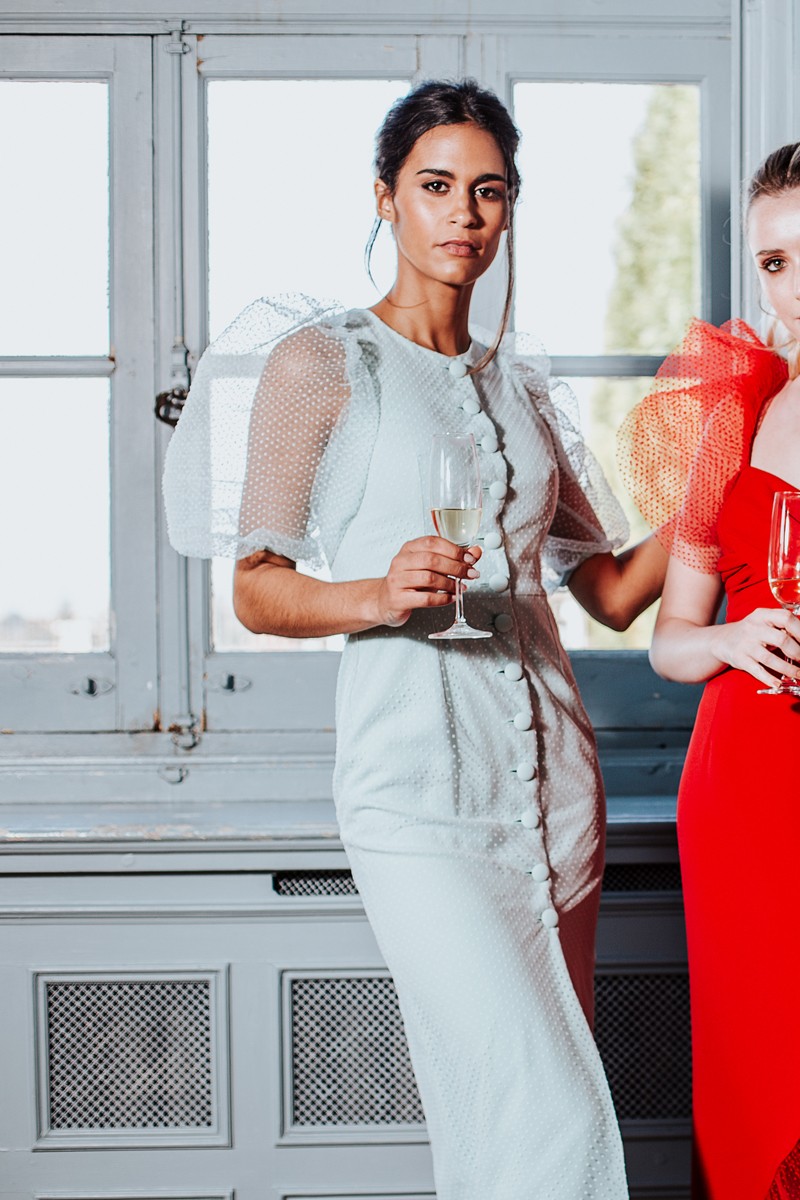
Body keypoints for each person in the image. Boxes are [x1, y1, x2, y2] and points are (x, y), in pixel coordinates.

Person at [163, 79, 666, 1199]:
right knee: (545, 1109)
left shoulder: (519, 387)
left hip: (554, 794)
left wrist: (728, 487)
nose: (463, 214)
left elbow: (608, 592)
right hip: (416, 793)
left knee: (510, 1117)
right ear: (385, 197)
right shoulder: (320, 364)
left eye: (489, 192)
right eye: (436, 186)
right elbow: (256, 591)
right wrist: (375, 594)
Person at [620, 143, 800, 1199]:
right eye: (773, 262)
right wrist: (731, 641)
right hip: (744, 783)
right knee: (755, 1071)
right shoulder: (736, 411)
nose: (794, 286)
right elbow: (668, 637)